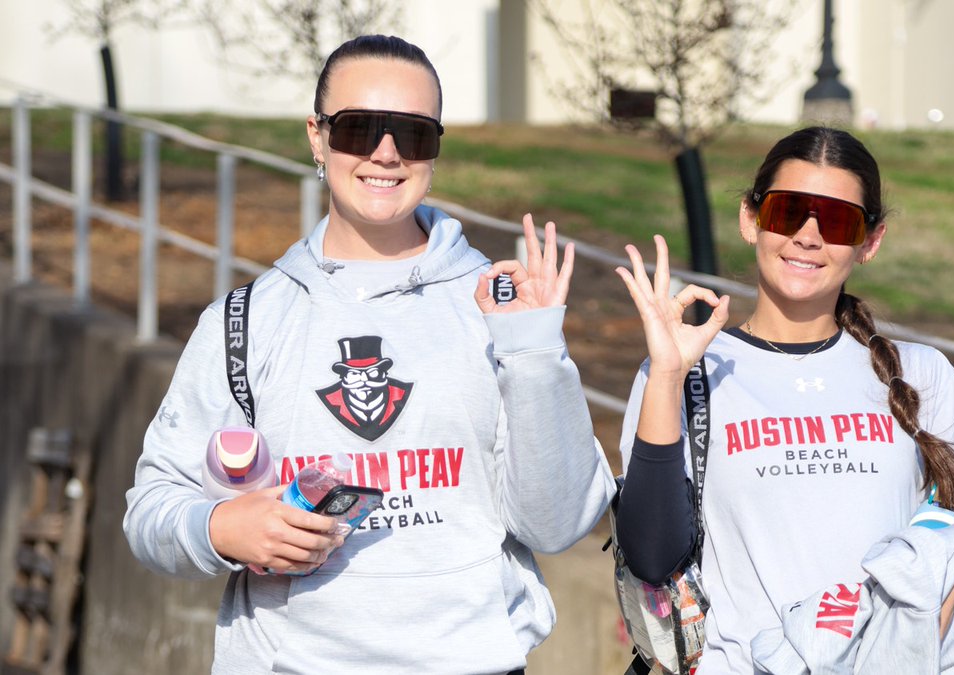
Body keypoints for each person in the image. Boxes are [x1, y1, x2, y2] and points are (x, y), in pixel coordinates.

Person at [123, 35, 615, 674]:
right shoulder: (245, 322)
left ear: (435, 150)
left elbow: (556, 525)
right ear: (317, 137)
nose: (386, 153)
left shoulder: (500, 306)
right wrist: (222, 531)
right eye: (359, 128)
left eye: (413, 135)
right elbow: (151, 513)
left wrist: (537, 353)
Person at [613, 127, 954, 673]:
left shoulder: (918, 372)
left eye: (837, 221)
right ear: (751, 219)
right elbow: (652, 556)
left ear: (870, 241)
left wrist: (951, 589)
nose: (808, 237)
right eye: (789, 212)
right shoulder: (682, 368)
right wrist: (668, 377)